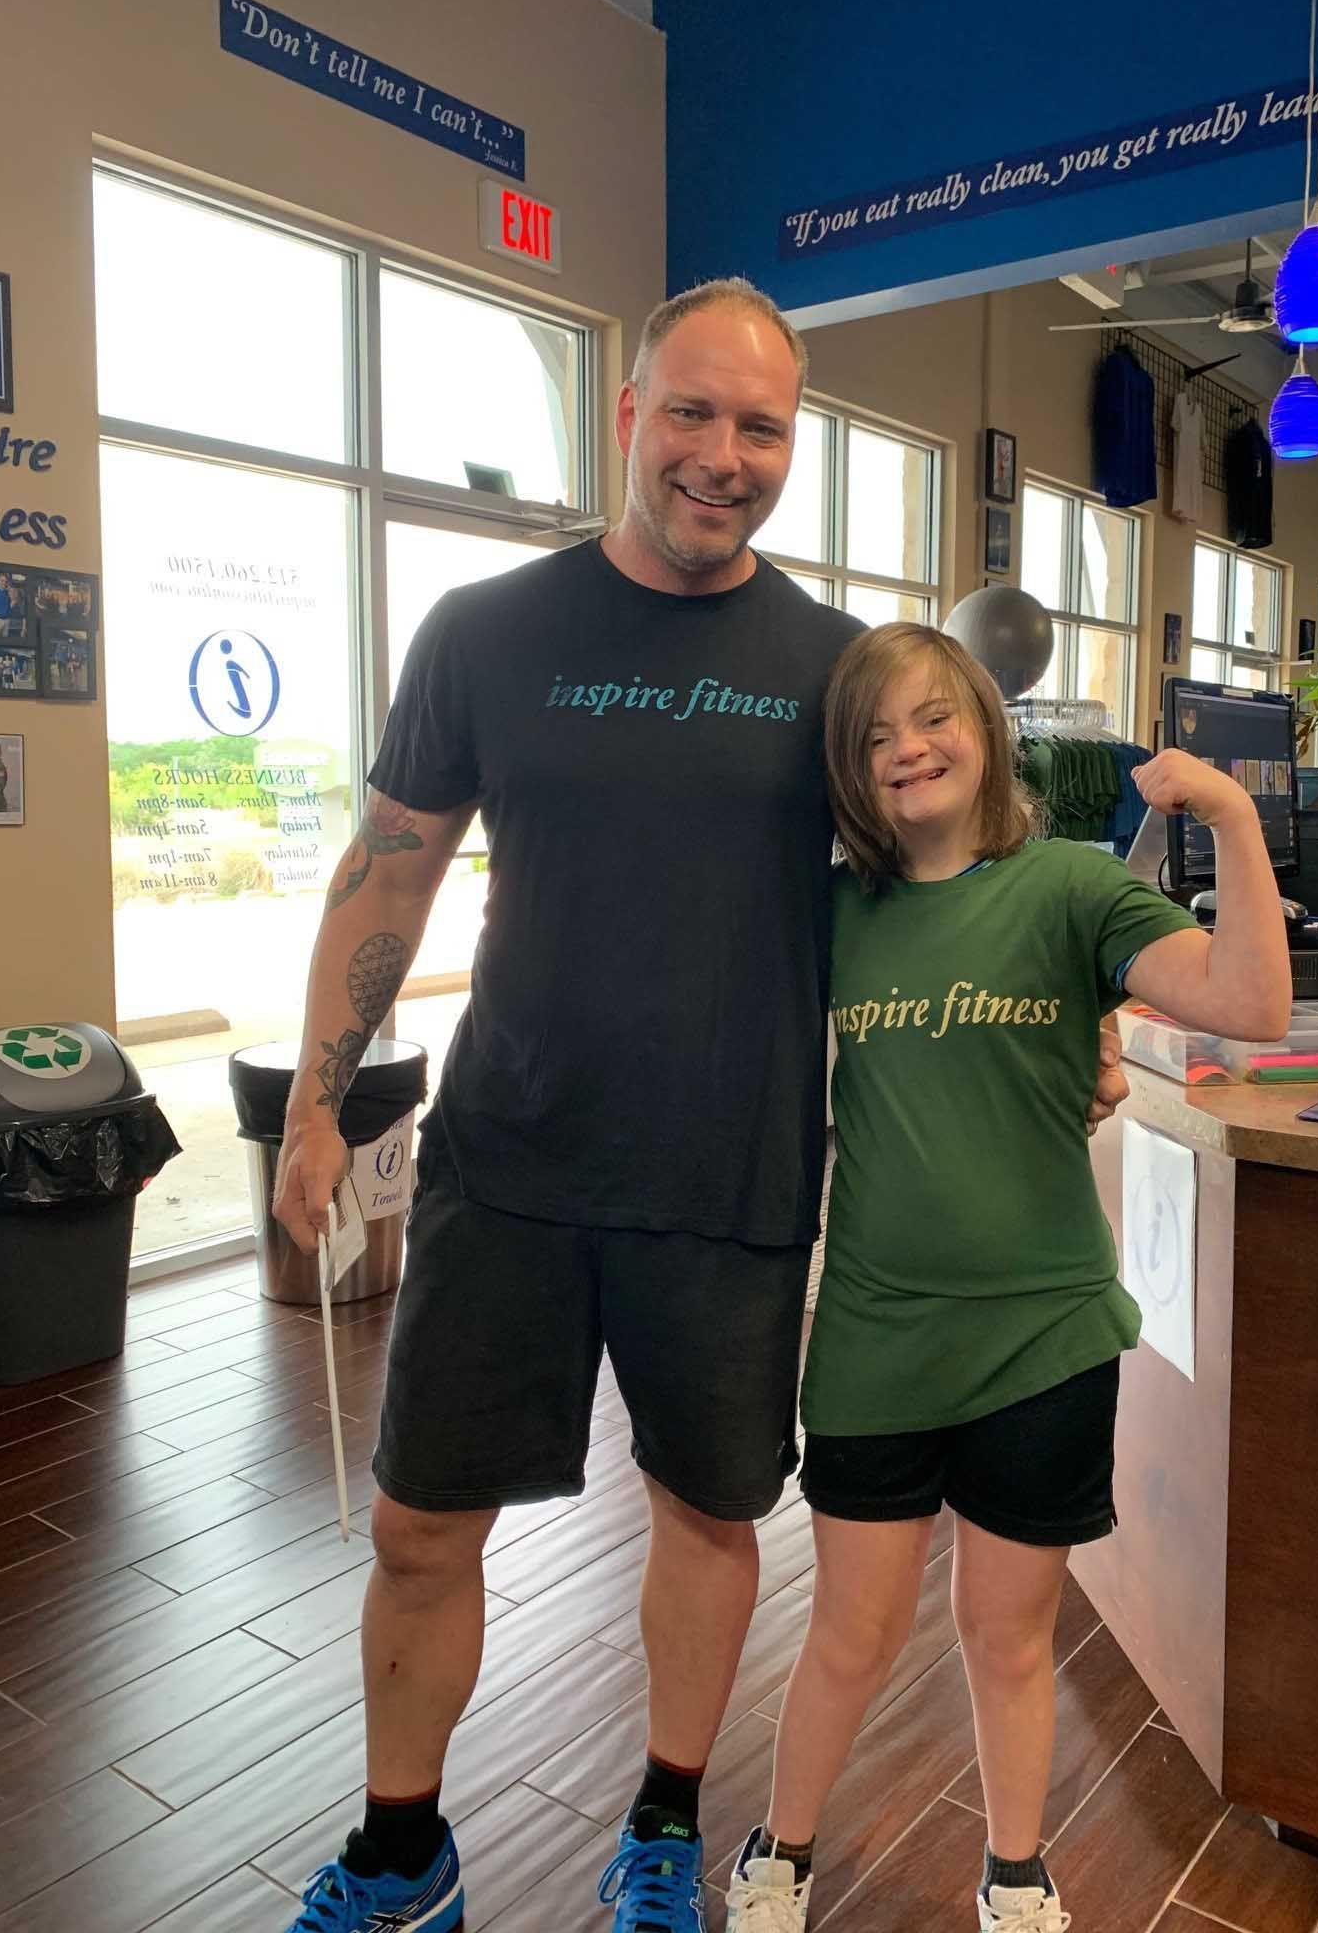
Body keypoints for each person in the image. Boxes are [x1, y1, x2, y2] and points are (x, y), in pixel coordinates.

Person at [270, 283, 1131, 1933]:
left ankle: (664, 1823)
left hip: (730, 1178)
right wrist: (322, 1101)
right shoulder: (484, 630)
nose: (722, 458)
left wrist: (1067, 1007)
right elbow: (388, 870)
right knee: (416, 1522)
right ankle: (402, 1849)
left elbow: (956, 858)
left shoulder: (827, 670)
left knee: (708, 1512)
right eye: (693, 414)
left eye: (760, 429)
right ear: (625, 408)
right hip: (506, 1163)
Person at [723, 623, 1290, 1933]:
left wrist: (1228, 817)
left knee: (1008, 1635)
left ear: (985, 726)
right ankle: (780, 1854)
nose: (907, 750)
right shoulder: (836, 910)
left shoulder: (1071, 895)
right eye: (873, 737)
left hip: (1041, 1340)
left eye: (932, 718)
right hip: (873, 1335)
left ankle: (1019, 1875)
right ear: (850, 776)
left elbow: (1253, 1004)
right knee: (848, 1636)